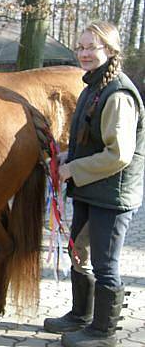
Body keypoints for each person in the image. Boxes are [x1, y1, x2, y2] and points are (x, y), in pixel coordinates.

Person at [43, 21, 144, 347]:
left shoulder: (118, 94)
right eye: (81, 47)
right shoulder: (93, 87)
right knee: (79, 255)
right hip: (90, 188)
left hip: (112, 196)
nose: (84, 53)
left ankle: (103, 333)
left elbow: (118, 154)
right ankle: (80, 316)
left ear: (110, 51)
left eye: (92, 47)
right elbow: (92, 140)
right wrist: (64, 155)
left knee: (104, 264)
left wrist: (72, 168)